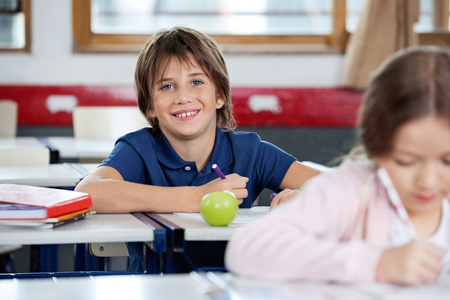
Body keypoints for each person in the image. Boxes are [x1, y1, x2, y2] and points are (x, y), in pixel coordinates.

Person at [75, 26, 320, 271]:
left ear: (219, 96)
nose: (183, 97)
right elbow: (88, 191)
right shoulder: (139, 149)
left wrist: (305, 198)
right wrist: (195, 197)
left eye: (196, 82)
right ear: (150, 106)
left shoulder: (250, 152)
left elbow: (346, 189)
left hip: (235, 290)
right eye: (167, 86)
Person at [225, 45, 450, 286]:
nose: (427, 181)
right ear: (376, 145)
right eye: (406, 161)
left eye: (447, 161)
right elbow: (247, 250)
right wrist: (375, 263)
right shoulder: (350, 190)